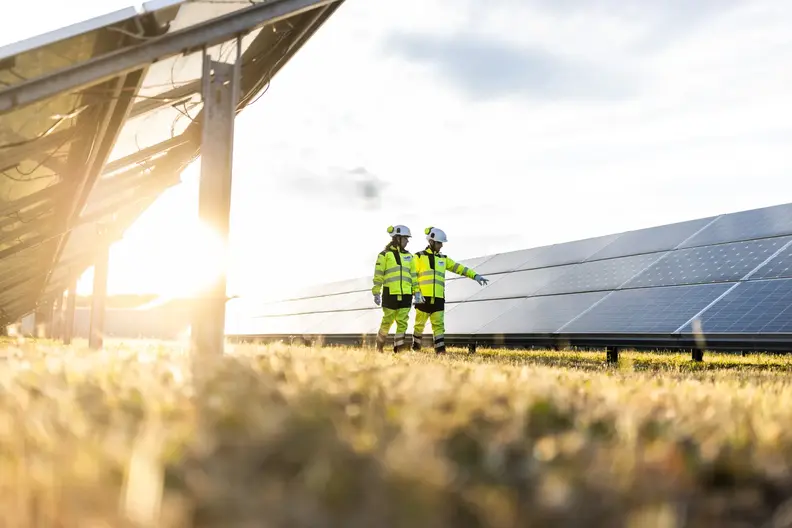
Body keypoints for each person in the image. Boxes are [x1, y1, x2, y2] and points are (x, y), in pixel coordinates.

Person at [412, 226, 489, 354]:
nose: (441, 245)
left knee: (439, 326)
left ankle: (440, 351)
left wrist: (475, 275)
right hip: (422, 298)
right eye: (439, 243)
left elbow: (458, 268)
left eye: (442, 243)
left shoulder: (443, 259)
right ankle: (416, 349)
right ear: (431, 242)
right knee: (419, 325)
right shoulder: (418, 257)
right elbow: (412, 275)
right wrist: (416, 293)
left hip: (438, 298)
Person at [372, 225, 425, 353]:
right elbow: (378, 274)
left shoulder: (409, 256)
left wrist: (417, 292)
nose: (407, 241)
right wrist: (376, 292)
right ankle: (379, 346)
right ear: (397, 238)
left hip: (406, 295)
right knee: (387, 321)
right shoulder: (384, 255)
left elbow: (413, 276)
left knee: (403, 322)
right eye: (405, 238)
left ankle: (399, 348)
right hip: (390, 293)